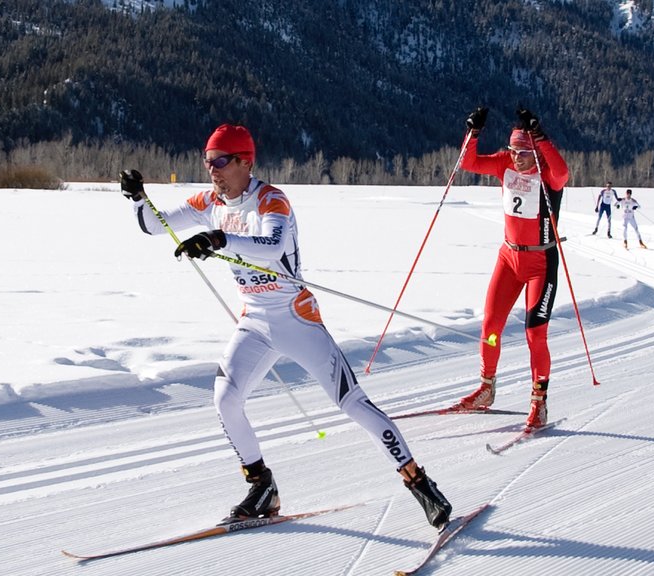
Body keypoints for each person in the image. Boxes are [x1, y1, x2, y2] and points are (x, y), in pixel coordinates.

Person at [118, 124, 451, 529]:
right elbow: (154, 224)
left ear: (245, 162)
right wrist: (139, 198)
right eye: (208, 161)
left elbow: (271, 246)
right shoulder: (209, 200)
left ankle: (421, 485)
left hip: (297, 320)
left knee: (353, 404)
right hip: (255, 322)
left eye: (221, 161)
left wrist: (218, 239)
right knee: (225, 399)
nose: (212, 170)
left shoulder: (271, 200)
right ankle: (262, 488)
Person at [451, 106, 569, 429]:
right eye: (514, 151)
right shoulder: (504, 163)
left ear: (535, 151)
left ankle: (538, 403)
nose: (517, 158)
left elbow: (563, 174)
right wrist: (473, 133)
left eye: (524, 152)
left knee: (535, 334)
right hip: (509, 257)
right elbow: (469, 162)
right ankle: (486, 389)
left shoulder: (546, 173)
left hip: (540, 262)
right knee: (490, 326)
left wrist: (541, 137)